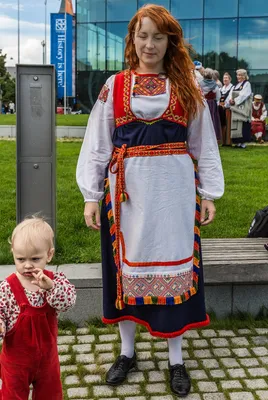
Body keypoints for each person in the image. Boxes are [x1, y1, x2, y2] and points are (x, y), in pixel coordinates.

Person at [76, 4, 224, 398]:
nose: (149, 44)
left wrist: (208, 192)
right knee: (125, 271)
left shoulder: (186, 86)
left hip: (173, 197)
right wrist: (92, 195)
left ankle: (176, 358)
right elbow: (96, 144)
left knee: (174, 263)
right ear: (133, 39)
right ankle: (127, 352)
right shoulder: (114, 86)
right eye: (143, 35)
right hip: (126, 197)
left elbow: (204, 144)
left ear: (170, 41)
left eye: (158, 36)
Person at [0, 217, 77, 400]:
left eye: (35, 259)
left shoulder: (55, 281)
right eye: (20, 259)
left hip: (47, 360)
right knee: (12, 395)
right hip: (16, 362)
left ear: (49, 255)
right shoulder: (7, 287)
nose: (27, 265)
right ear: (13, 253)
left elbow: (68, 302)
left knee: (50, 395)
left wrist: (50, 288)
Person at [226, 69, 252, 148]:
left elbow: (244, 95)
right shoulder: (235, 85)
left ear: (244, 76)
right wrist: (230, 100)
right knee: (236, 124)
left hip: (243, 108)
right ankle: (237, 142)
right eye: (238, 75)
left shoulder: (247, 84)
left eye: (240, 75)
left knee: (243, 124)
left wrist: (235, 100)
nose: (239, 77)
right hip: (235, 109)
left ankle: (243, 143)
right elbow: (230, 94)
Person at [199, 68, 221, 142]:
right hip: (212, 104)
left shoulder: (200, 84)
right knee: (213, 119)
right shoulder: (215, 84)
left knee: (203, 120)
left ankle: (203, 137)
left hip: (203, 103)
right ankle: (213, 138)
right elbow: (218, 96)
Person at [219, 72, 233, 145]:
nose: (225, 79)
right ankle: (222, 141)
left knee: (227, 125)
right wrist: (220, 104)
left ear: (230, 79)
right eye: (224, 78)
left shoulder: (232, 87)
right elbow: (218, 97)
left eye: (226, 78)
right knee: (222, 124)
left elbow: (230, 98)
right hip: (221, 109)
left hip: (227, 109)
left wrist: (225, 105)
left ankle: (228, 142)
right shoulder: (221, 88)